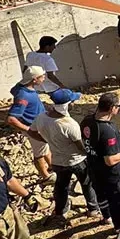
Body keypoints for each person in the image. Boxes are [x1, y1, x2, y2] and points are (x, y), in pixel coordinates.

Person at [28, 88, 101, 224]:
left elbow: (31, 132)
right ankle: (93, 209)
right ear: (67, 105)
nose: (74, 103)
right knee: (87, 184)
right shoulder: (70, 125)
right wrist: (92, 154)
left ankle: (60, 212)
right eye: (72, 101)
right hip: (77, 161)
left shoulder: (41, 117)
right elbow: (80, 147)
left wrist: (46, 140)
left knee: (61, 187)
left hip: (57, 161)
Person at [81, 92, 120, 232]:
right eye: (118, 106)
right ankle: (119, 228)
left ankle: (106, 217)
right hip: (112, 175)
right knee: (118, 202)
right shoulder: (107, 130)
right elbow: (110, 160)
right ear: (111, 108)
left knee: (101, 195)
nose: (118, 108)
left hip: (94, 169)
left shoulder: (87, 121)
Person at [7, 66, 53, 183]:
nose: (44, 78)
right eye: (42, 77)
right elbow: (11, 119)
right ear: (34, 79)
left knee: (44, 147)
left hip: (39, 125)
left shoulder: (21, 87)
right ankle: (46, 176)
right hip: (34, 128)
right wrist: (29, 130)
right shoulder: (24, 96)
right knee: (39, 154)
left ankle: (52, 166)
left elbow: (13, 90)